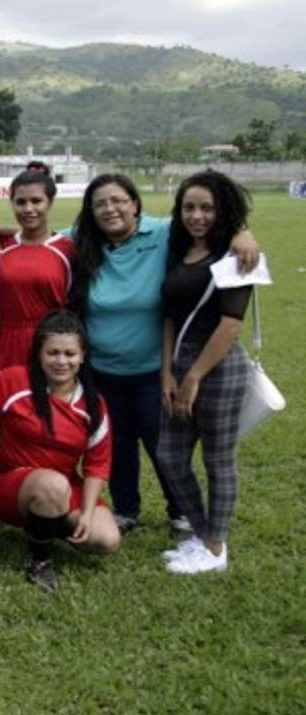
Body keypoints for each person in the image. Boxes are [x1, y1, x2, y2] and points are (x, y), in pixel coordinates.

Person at [68, 173, 257, 534]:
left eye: (119, 200)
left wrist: (242, 232)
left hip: (155, 369)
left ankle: (181, 512)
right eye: (100, 204)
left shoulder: (162, 232)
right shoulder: (83, 241)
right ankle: (126, 509)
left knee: (162, 446)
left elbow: (206, 223)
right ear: (90, 213)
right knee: (118, 444)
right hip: (103, 370)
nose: (110, 209)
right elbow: (34, 235)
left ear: (135, 204)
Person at [157, 171, 256, 574]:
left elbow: (231, 324)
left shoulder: (236, 256)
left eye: (207, 208)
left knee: (218, 459)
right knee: (169, 456)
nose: (197, 216)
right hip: (179, 362)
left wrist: (194, 377)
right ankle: (200, 533)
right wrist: (168, 372)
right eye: (189, 207)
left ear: (224, 211)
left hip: (218, 366)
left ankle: (215, 547)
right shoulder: (181, 250)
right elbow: (168, 316)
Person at [0, 311, 121, 593]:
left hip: (62, 485)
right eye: (52, 352)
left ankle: (42, 522)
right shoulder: (12, 382)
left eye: (70, 354)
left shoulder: (93, 404)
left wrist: (87, 513)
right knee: (52, 486)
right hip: (7, 482)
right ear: (39, 354)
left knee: (106, 539)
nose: (61, 361)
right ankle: (40, 559)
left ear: (82, 356)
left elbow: (97, 464)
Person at [0, 171, 74, 370]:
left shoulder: (68, 250)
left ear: (50, 203)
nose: (28, 209)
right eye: (20, 202)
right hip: (9, 343)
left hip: (54, 345)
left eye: (37, 201)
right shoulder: (0, 246)